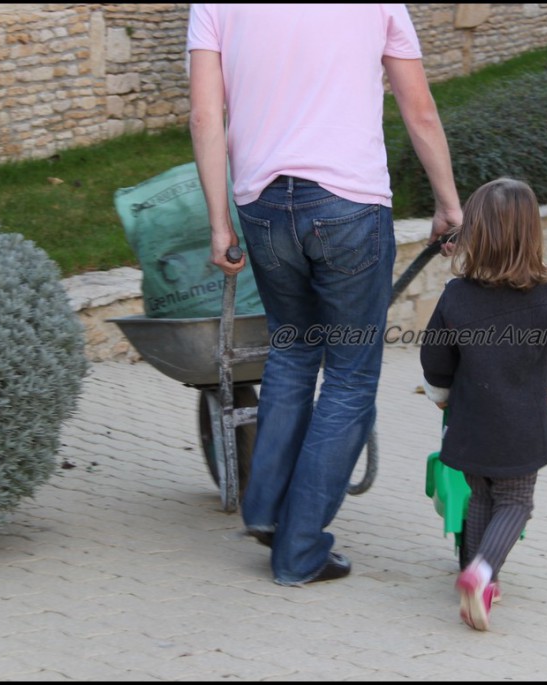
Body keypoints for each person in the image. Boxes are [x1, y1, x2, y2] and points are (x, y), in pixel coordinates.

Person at [187, 5, 463, 586]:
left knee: (291, 352)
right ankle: (300, 549)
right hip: (348, 205)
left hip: (262, 205)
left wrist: (220, 222)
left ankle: (265, 510)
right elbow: (420, 109)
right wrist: (448, 204)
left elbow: (205, 115)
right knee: (350, 376)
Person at [420, 177, 547, 630]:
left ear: (476, 234)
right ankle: (481, 572)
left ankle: (483, 580)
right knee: (517, 501)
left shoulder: (457, 296)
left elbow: (435, 356)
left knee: (482, 493)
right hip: (521, 425)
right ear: (531, 234)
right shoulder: (546, 297)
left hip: (468, 422)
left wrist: (441, 395)